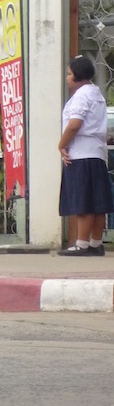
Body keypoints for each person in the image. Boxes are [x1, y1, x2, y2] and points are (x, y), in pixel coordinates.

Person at [57, 56, 113, 256]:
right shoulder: (96, 93)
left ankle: (81, 244)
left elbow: (74, 124)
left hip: (81, 153)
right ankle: (96, 243)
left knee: (84, 201)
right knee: (97, 202)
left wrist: (61, 145)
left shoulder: (81, 95)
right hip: (96, 152)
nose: (67, 78)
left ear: (78, 76)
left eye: (69, 74)